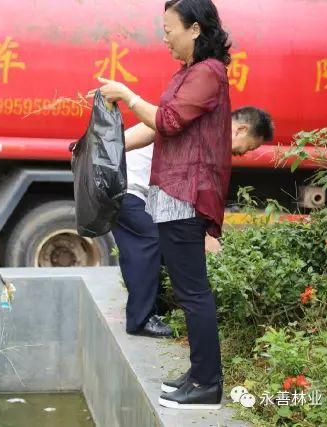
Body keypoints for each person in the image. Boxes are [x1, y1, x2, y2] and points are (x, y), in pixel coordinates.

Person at [91, 0, 232, 409]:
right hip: (171, 191)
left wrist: (127, 94)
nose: (164, 36)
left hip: (188, 192)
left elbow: (167, 120)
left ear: (195, 29)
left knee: (193, 292)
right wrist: (102, 148)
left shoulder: (209, 73)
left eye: (170, 29)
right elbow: (157, 128)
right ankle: (198, 374)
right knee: (190, 291)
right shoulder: (189, 73)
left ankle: (208, 385)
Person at [115, 107, 274, 338]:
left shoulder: (206, 130)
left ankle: (151, 309)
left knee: (159, 243)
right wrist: (206, 236)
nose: (244, 153)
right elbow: (192, 190)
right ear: (240, 129)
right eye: (248, 146)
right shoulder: (208, 135)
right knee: (148, 243)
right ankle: (140, 320)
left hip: (135, 188)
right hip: (129, 186)